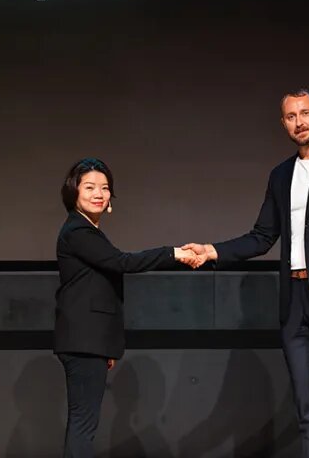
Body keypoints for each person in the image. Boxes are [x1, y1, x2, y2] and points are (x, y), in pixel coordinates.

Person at [184, 89, 309, 458]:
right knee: (308, 404)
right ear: (283, 123)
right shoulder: (280, 174)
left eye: (305, 113)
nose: (299, 122)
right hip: (294, 302)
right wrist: (212, 251)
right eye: (291, 116)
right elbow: (262, 236)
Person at [54, 157, 202, 458]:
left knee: (83, 423)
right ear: (74, 191)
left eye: (105, 187)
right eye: (90, 187)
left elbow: (98, 288)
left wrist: (105, 344)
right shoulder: (78, 231)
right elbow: (122, 262)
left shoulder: (85, 231)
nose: (99, 194)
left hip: (89, 341)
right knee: (83, 424)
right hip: (83, 340)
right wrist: (173, 253)